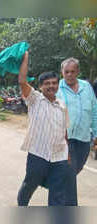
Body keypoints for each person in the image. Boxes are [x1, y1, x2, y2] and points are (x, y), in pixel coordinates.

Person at [16, 52, 69, 206]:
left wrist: (68, 153)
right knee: (30, 185)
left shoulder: (62, 106)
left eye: (54, 83)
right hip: (38, 153)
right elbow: (22, 81)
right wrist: (26, 57)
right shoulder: (35, 99)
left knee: (57, 192)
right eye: (47, 83)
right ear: (40, 86)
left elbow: (64, 130)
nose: (51, 86)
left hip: (59, 156)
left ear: (58, 85)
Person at [56, 57, 97, 206]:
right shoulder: (56, 87)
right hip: (64, 140)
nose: (69, 75)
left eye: (73, 71)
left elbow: (94, 111)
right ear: (62, 72)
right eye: (66, 72)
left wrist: (96, 133)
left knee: (73, 172)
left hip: (84, 138)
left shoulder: (86, 87)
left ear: (78, 72)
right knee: (70, 174)